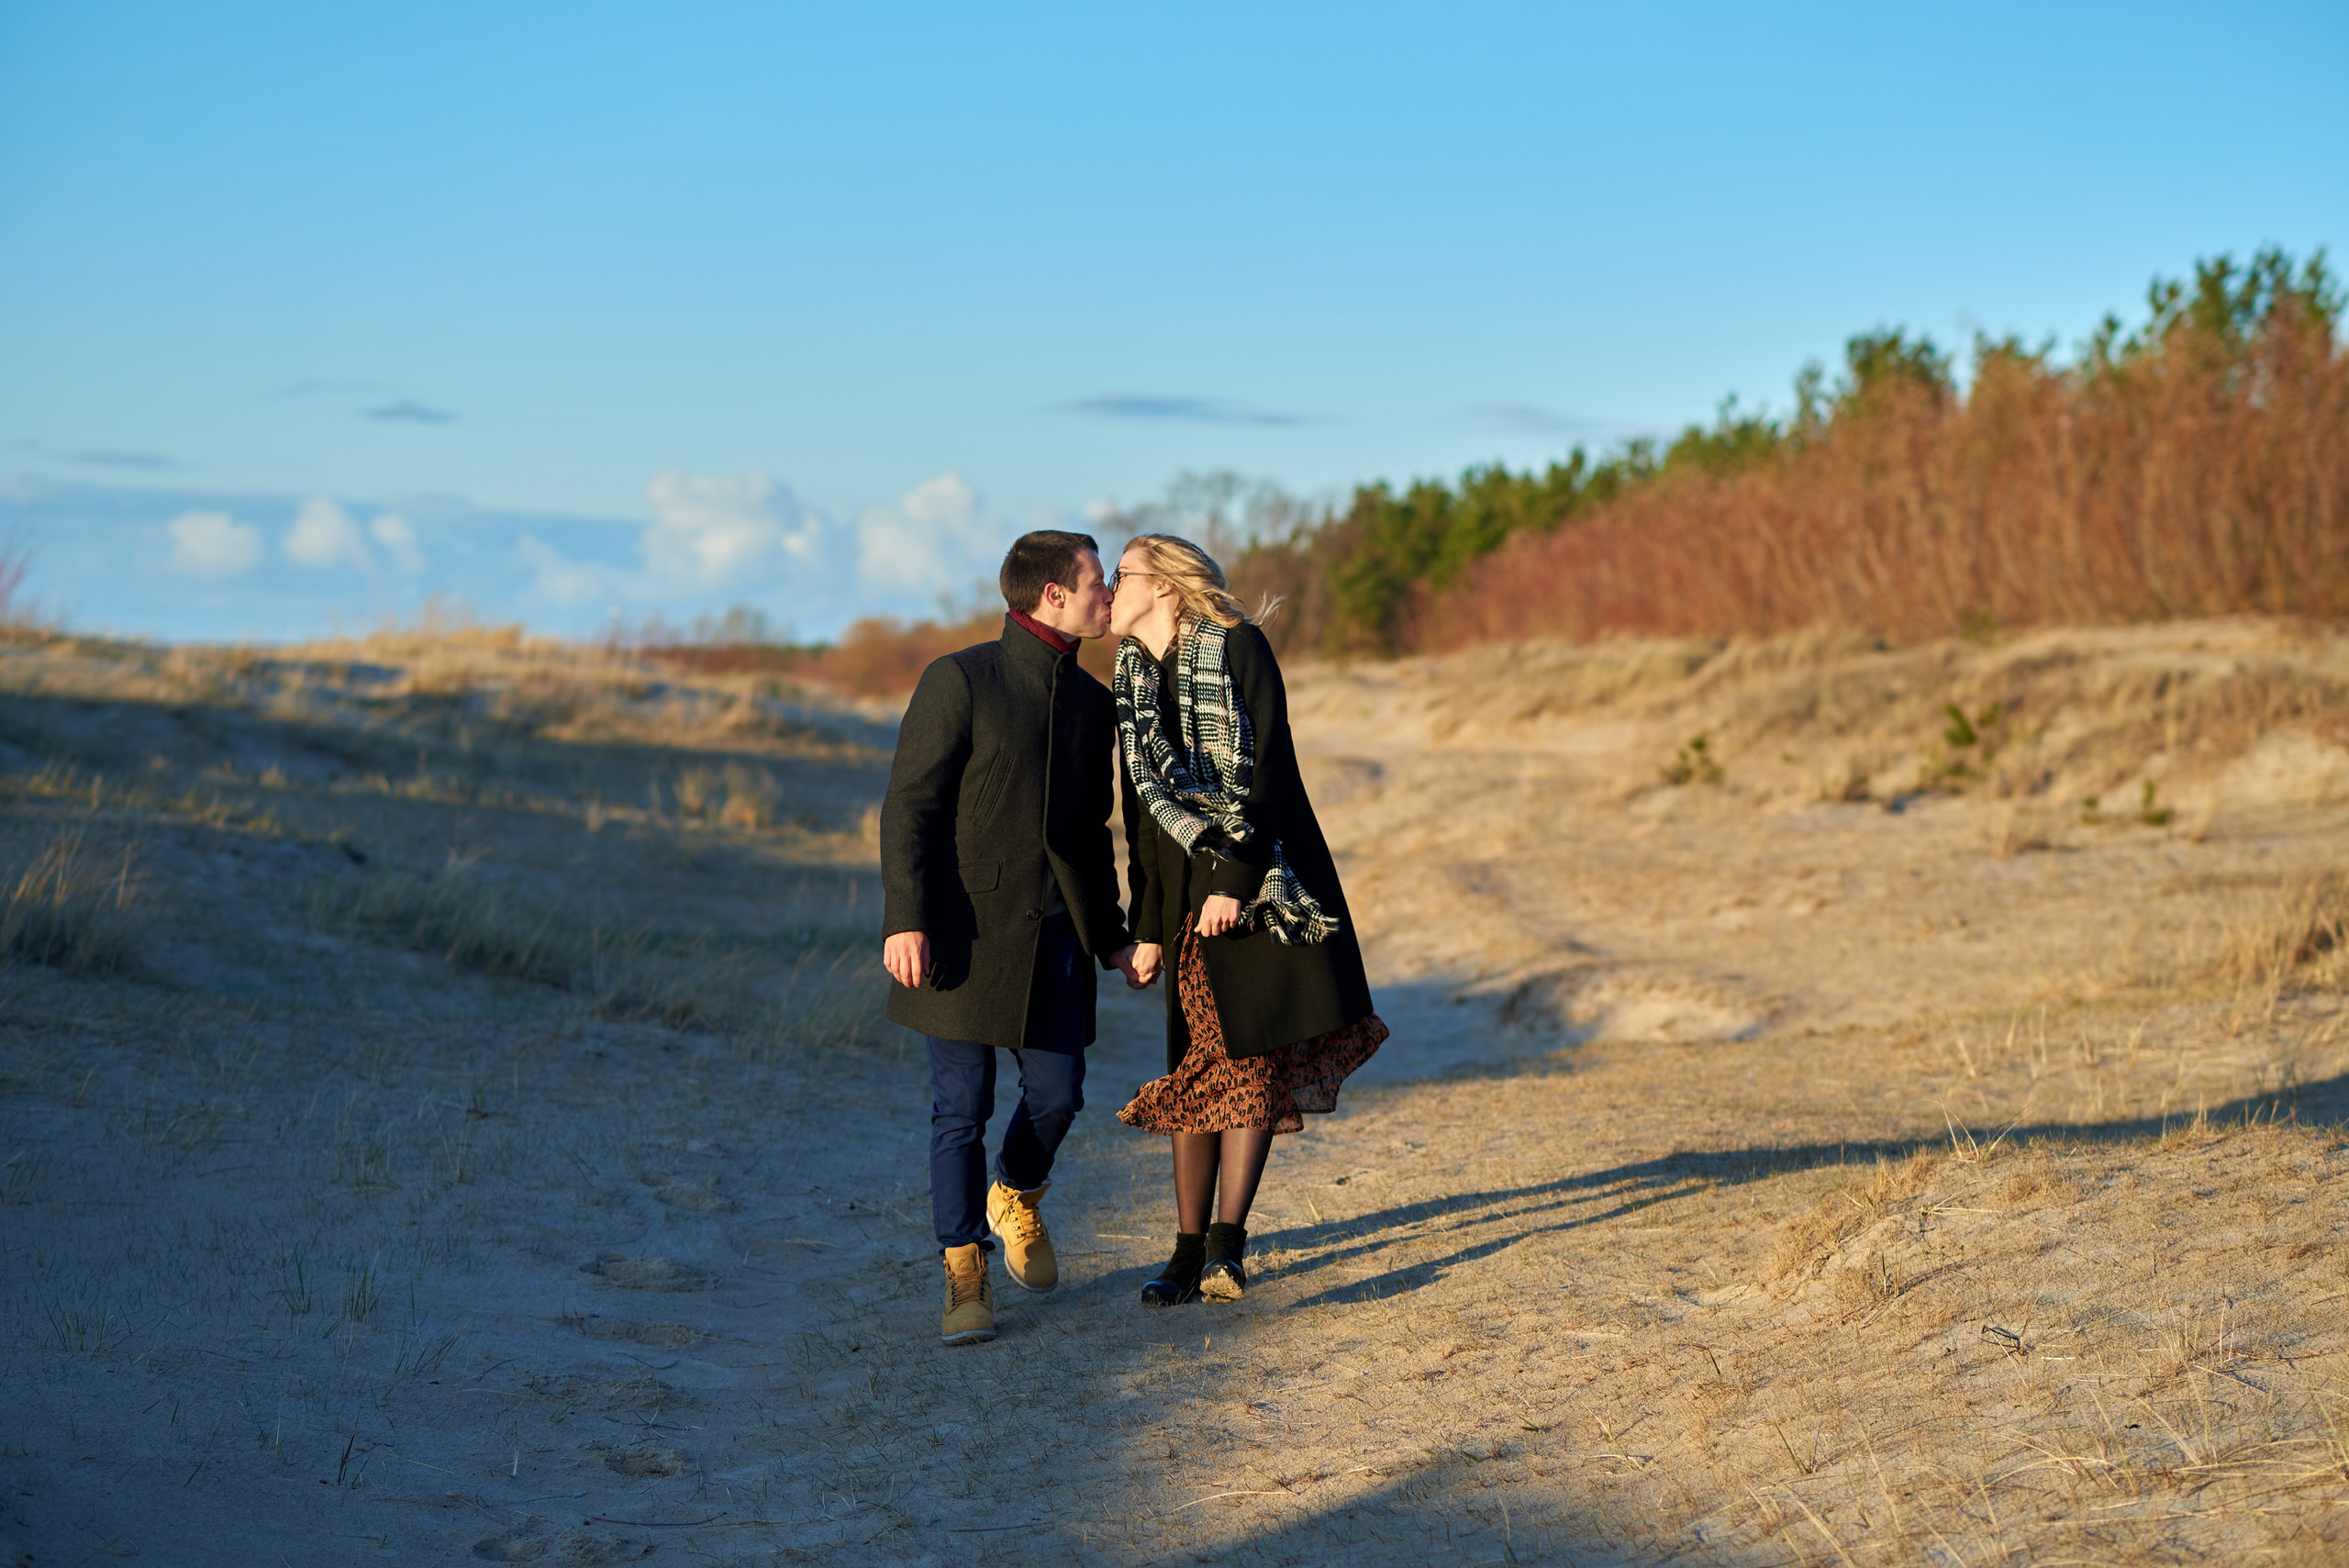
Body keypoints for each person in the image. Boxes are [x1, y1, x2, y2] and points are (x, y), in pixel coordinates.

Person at [1108, 533, 1387, 1306]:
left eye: (1121, 574)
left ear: (1164, 586)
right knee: (1198, 1066)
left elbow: (1268, 773)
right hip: (1183, 903)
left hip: (1261, 888)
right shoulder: (1129, 680)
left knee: (1251, 1061)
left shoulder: (1239, 648)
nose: (1108, 586)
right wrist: (1146, 925)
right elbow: (1141, 816)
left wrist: (1232, 877)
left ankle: (1225, 1249)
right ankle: (1185, 1251)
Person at [880, 530, 1144, 1345]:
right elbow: (910, 806)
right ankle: (964, 1269)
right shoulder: (960, 679)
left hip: (1058, 936)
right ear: (1052, 596)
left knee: (1060, 1094)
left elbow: (1091, 832)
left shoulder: (1096, 704)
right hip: (958, 935)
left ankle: (1015, 1192)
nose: (1109, 595)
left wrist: (1112, 935)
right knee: (959, 1109)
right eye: (1098, 583)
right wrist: (905, 917)